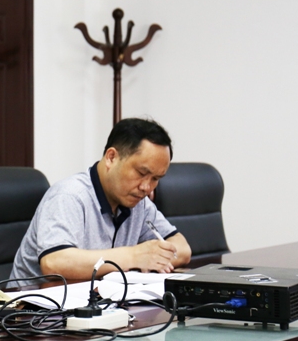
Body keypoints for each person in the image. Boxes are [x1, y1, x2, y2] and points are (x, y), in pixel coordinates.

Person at [10, 117, 191, 284]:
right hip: (31, 306)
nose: (147, 187)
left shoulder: (139, 203)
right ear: (111, 158)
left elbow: (182, 249)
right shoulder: (69, 196)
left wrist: (153, 257)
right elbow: (54, 263)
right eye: (141, 173)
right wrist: (133, 257)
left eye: (155, 179)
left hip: (99, 302)